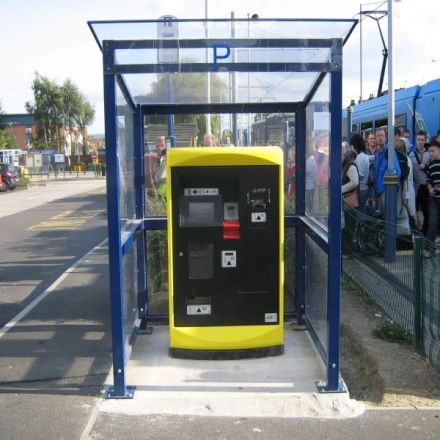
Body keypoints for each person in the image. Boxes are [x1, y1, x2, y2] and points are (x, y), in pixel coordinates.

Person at [373, 128, 401, 214]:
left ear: (385, 138)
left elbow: (397, 172)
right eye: (378, 136)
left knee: (388, 216)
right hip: (378, 191)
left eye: (382, 135)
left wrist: (388, 189)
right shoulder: (376, 154)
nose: (380, 138)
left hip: (386, 191)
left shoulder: (390, 152)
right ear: (375, 139)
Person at [409, 131, 430, 234]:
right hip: (415, 188)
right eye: (418, 139)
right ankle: (414, 233)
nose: (420, 142)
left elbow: (432, 170)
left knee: (427, 212)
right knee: (414, 211)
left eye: (422, 140)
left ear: (425, 140)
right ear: (416, 140)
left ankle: (425, 233)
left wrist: (425, 166)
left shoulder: (429, 154)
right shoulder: (411, 154)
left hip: (426, 188)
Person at [342, 142, 359, 256]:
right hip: (344, 201)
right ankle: (346, 249)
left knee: (348, 226)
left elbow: (355, 182)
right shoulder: (343, 165)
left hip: (349, 201)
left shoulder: (350, 166)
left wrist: (340, 189)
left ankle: (348, 251)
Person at [395, 138, 415, 232]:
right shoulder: (407, 160)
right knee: (405, 220)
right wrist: (406, 196)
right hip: (404, 195)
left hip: (395, 194)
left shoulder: (394, 160)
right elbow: (407, 180)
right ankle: (405, 246)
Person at [424, 140, 440, 257]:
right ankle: (429, 250)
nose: (431, 153)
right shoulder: (431, 164)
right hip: (434, 198)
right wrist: (430, 188)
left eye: (433, 151)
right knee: (432, 223)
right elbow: (428, 180)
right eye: (429, 152)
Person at [350, 134, 369, 214]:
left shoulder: (360, 158)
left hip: (361, 190)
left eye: (352, 145)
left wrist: (351, 176)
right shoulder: (363, 156)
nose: (351, 148)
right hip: (364, 188)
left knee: (361, 213)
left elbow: (360, 175)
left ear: (355, 146)